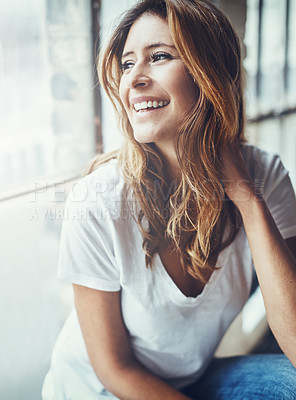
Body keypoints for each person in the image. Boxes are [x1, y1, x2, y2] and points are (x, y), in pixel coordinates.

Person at [42, 0, 296, 399]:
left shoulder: (265, 175)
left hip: (194, 381)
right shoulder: (96, 202)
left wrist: (244, 193)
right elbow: (115, 369)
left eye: (158, 56)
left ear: (209, 72)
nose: (134, 80)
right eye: (127, 64)